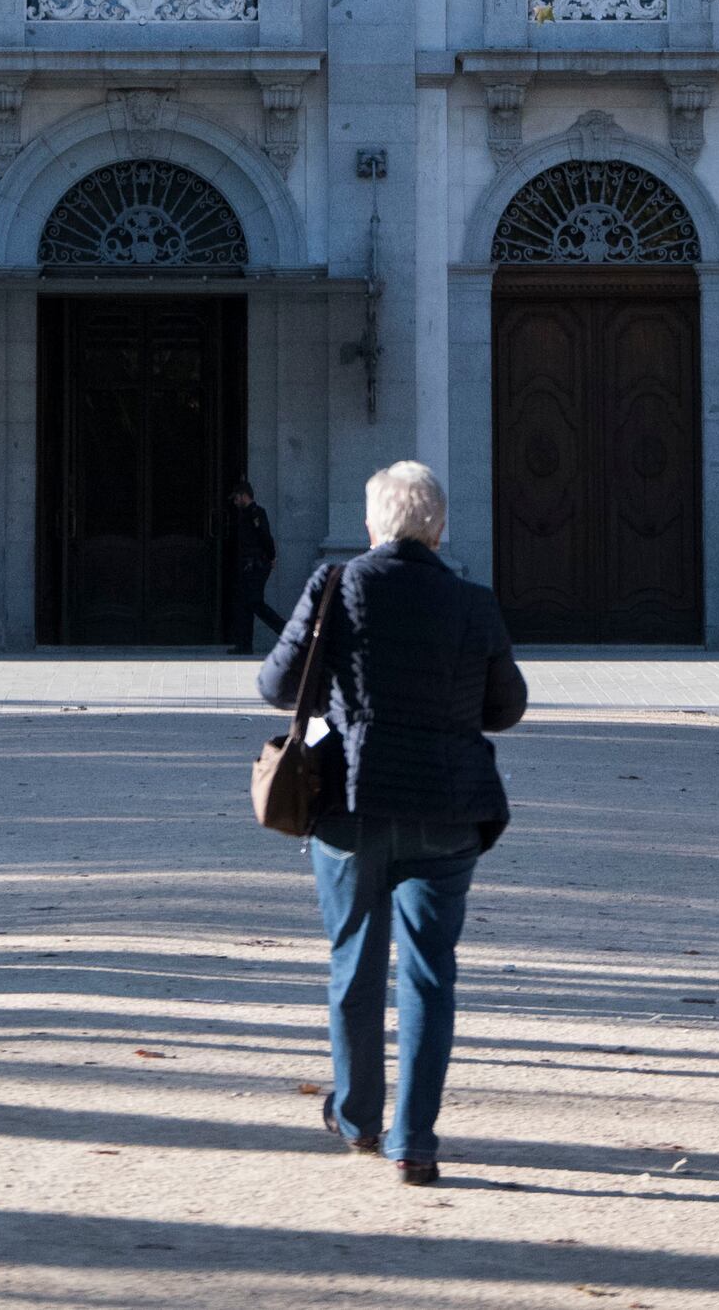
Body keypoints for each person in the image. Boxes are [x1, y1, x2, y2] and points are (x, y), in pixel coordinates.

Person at [254, 459, 526, 1185]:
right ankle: (416, 1141)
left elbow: (276, 685)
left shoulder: (336, 585)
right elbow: (506, 709)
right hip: (446, 808)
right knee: (432, 976)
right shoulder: (475, 601)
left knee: (355, 963)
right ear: (440, 529)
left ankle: (358, 1118)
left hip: (350, 803)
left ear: (372, 526)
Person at [220, 475, 281, 657]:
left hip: (256, 565)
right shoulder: (245, 515)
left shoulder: (256, 513)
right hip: (248, 565)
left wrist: (271, 557)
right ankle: (244, 645)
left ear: (244, 495)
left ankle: (287, 631)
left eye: (237, 498)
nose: (236, 502)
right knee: (245, 604)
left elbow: (265, 537)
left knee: (255, 603)